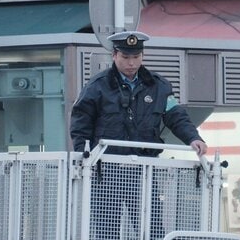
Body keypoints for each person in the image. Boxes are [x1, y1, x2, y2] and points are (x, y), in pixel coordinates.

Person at [70, 31, 207, 157]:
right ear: (114, 55)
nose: (131, 63)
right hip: (106, 168)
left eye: (136, 57)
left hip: (146, 167)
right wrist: (83, 158)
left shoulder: (159, 86)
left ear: (143, 55)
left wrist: (193, 138)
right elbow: (81, 125)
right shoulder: (96, 87)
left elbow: (177, 117)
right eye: (125, 57)